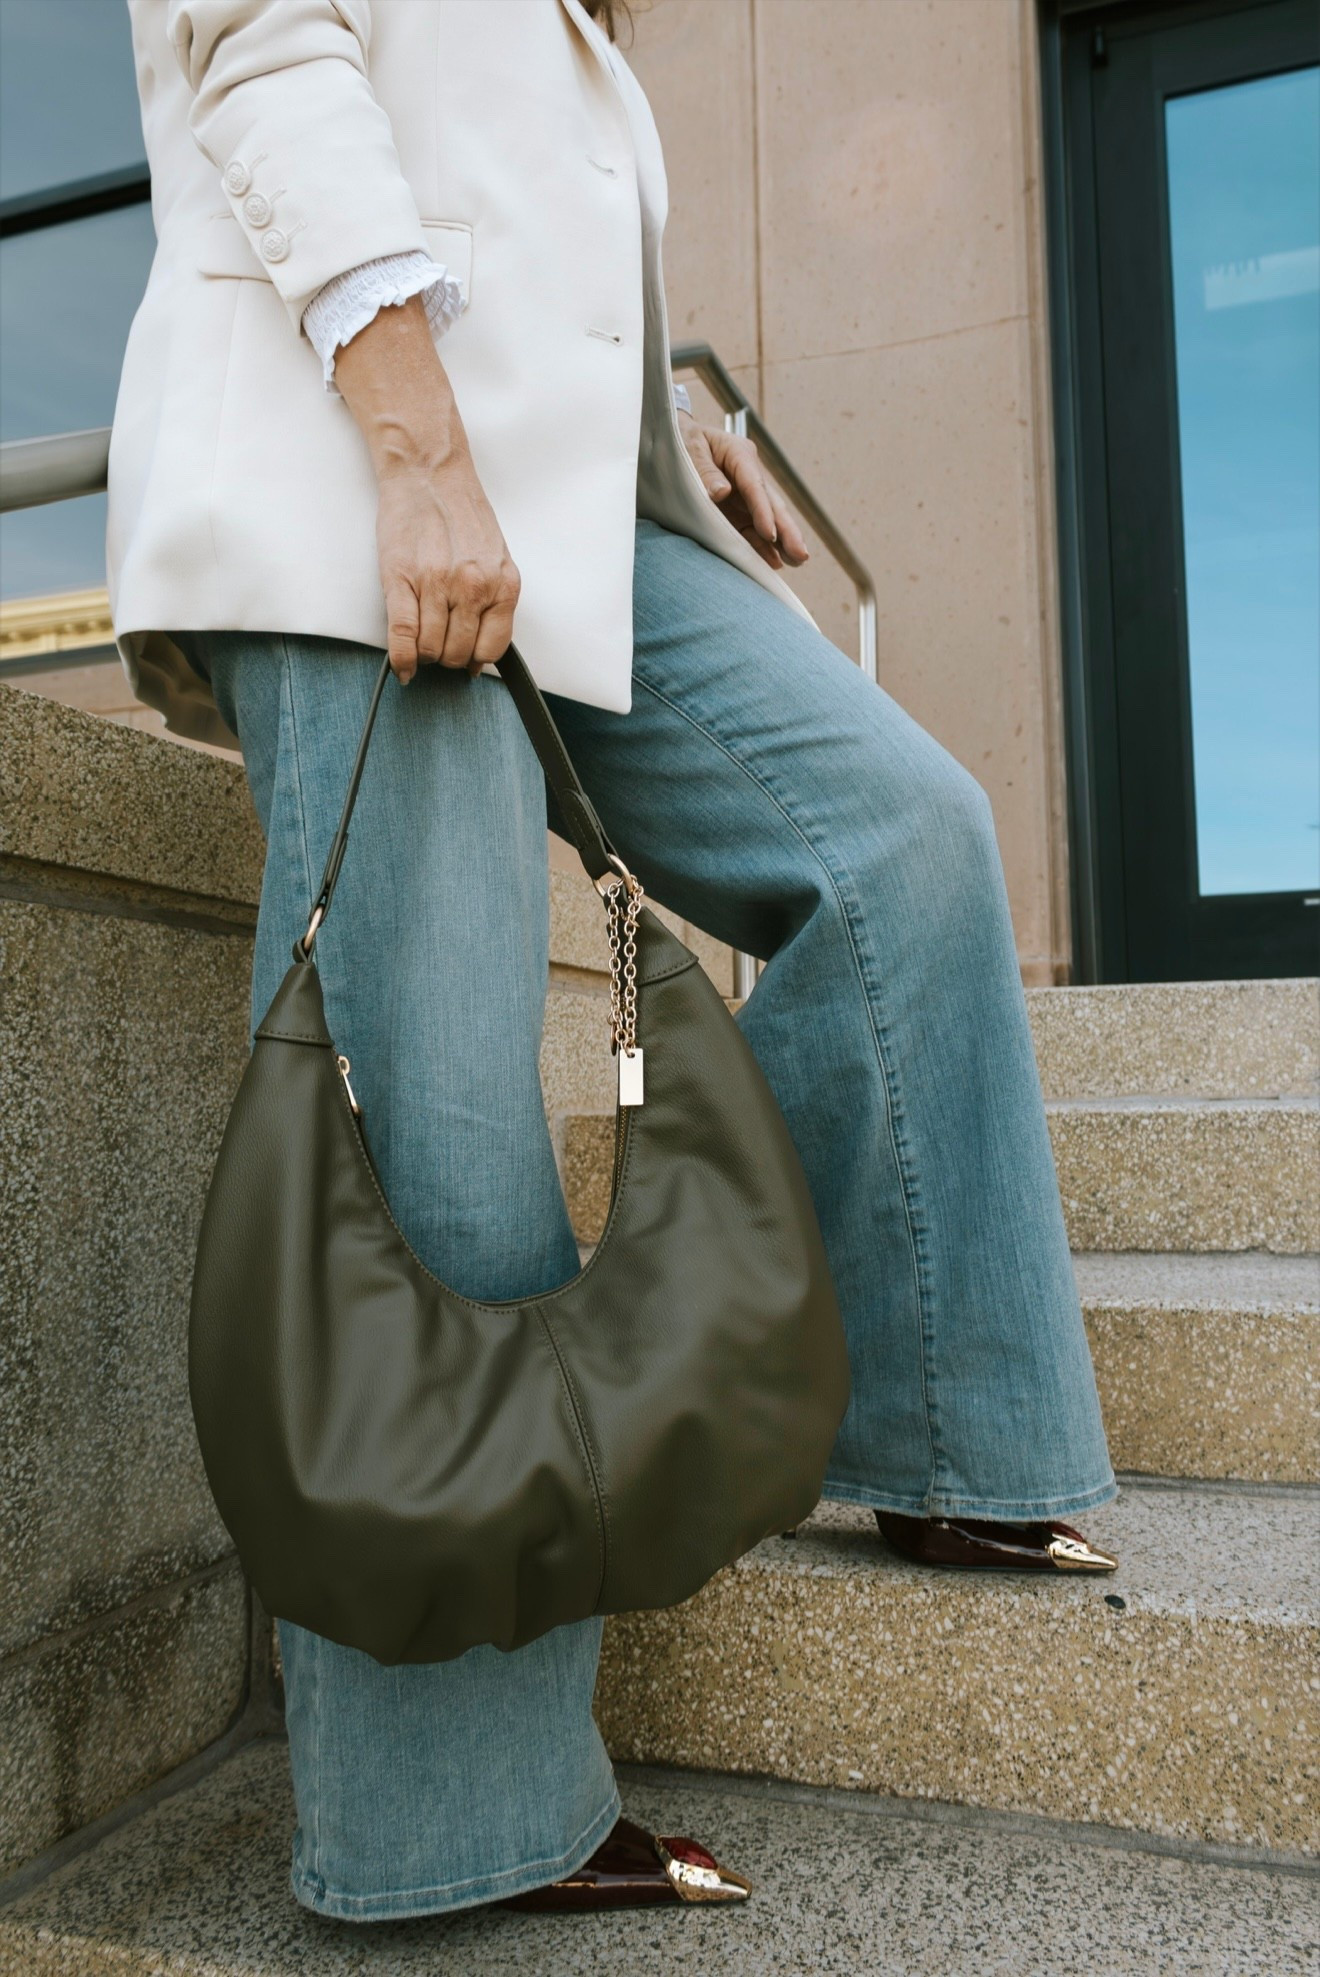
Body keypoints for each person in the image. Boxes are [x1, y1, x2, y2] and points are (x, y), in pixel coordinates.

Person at [108, 0, 1118, 1923]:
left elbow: (517, 186)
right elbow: (264, 49)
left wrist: (668, 434)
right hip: (356, 463)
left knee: (901, 832)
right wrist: (415, 446)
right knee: (444, 1079)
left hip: (579, 504)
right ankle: (452, 1806)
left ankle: (941, 1422)